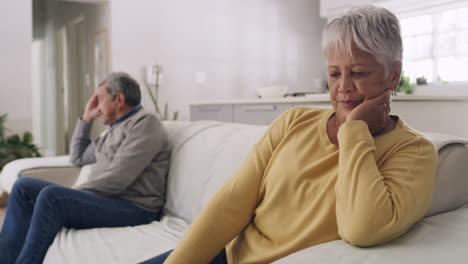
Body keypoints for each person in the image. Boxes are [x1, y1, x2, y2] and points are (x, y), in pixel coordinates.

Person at [140, 5, 437, 264]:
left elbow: (363, 227)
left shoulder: (415, 152)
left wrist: (355, 130)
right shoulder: (295, 120)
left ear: (393, 75)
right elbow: (230, 204)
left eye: (358, 73)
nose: (343, 87)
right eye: (334, 74)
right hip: (225, 256)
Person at [0, 72, 171, 264]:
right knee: (24, 187)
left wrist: (69, 194)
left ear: (119, 99)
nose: (97, 106)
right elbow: (78, 156)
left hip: (135, 208)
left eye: (99, 99)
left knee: (53, 196)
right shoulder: (113, 130)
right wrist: (86, 119)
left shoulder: (145, 123)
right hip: (108, 200)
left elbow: (118, 179)